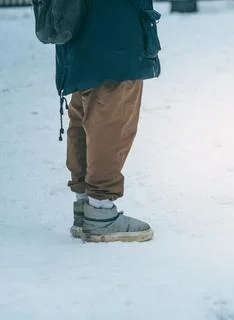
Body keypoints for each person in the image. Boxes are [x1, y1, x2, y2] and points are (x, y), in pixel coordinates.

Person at [55, 0, 161, 242]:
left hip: (82, 26)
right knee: (112, 115)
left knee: (85, 107)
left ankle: (85, 204)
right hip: (114, 28)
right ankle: (100, 210)